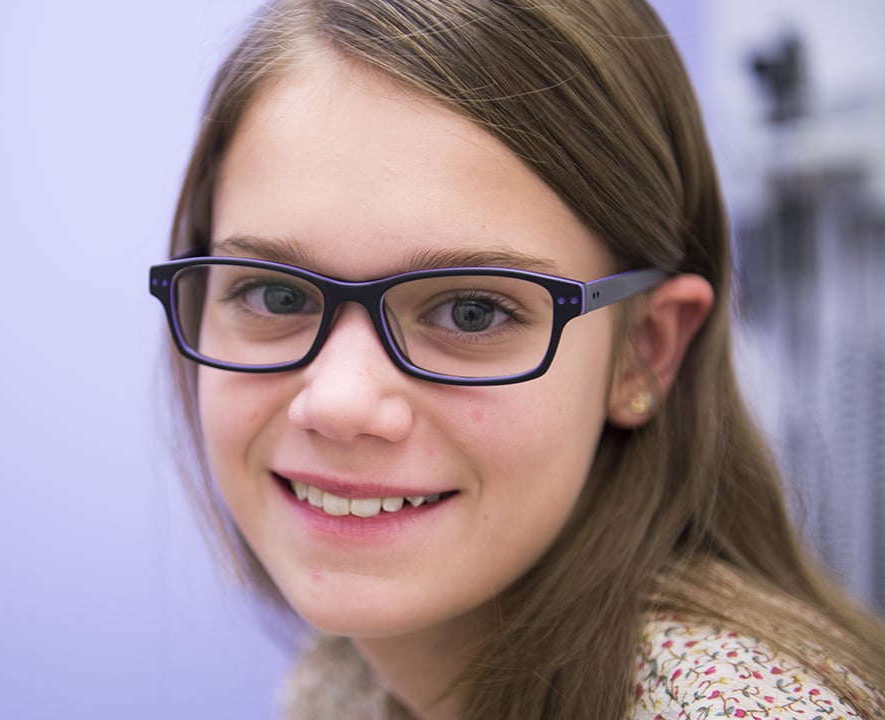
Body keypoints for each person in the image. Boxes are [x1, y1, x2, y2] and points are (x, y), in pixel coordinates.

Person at [147, 1, 885, 718]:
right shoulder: (343, 680)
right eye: (275, 297)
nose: (338, 401)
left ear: (644, 352)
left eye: (471, 312)